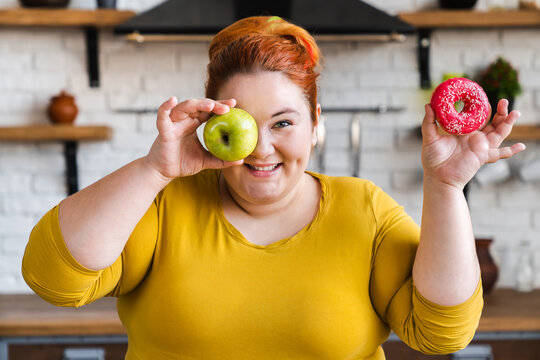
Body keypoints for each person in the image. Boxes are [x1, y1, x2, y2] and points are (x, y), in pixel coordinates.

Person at [22, 16, 525, 360]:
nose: (262, 148)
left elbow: (441, 332)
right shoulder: (163, 205)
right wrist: (154, 170)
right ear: (210, 122)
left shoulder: (364, 210)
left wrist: (445, 185)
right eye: (245, 123)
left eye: (283, 123)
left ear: (315, 123)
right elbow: (53, 280)